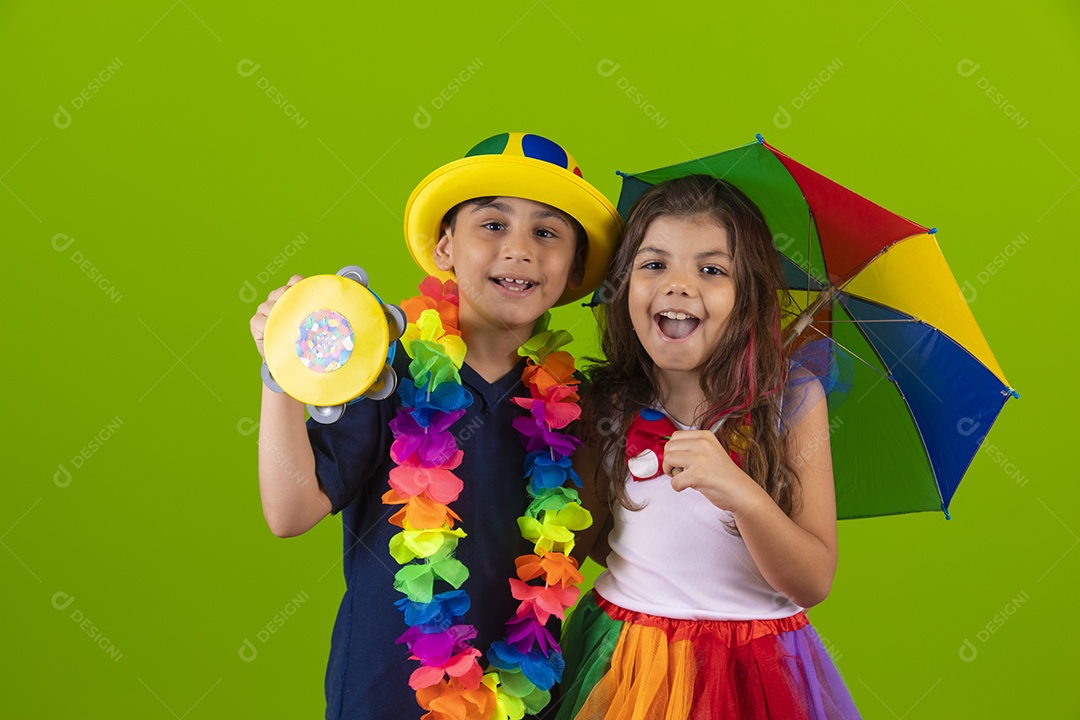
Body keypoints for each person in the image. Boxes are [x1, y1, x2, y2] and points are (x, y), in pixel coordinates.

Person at [248, 132, 622, 719]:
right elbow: (289, 513)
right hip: (383, 696)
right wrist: (283, 375)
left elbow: (606, 552)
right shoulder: (383, 367)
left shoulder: (576, 409)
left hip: (522, 700)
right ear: (445, 246)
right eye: (492, 225)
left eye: (546, 232)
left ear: (573, 267)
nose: (520, 250)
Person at [557, 175, 861, 719]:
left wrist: (741, 493)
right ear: (623, 286)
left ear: (748, 296)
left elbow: (813, 581)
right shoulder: (604, 406)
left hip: (756, 666)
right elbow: (585, 544)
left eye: (712, 270)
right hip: (627, 660)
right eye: (654, 265)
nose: (678, 285)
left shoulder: (791, 401)